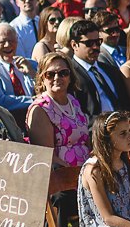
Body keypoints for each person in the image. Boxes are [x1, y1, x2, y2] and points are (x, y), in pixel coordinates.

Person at [28, 50, 90, 194]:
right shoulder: (40, 110)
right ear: (42, 78)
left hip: (86, 172)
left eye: (63, 73)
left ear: (70, 77)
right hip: (63, 181)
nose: (57, 78)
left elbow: (84, 138)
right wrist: (78, 174)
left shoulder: (73, 101)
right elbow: (47, 156)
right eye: (50, 74)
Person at [68, 18, 130, 117]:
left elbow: (125, 102)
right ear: (74, 45)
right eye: (89, 43)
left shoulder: (110, 70)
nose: (95, 47)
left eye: (98, 42)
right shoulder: (70, 75)